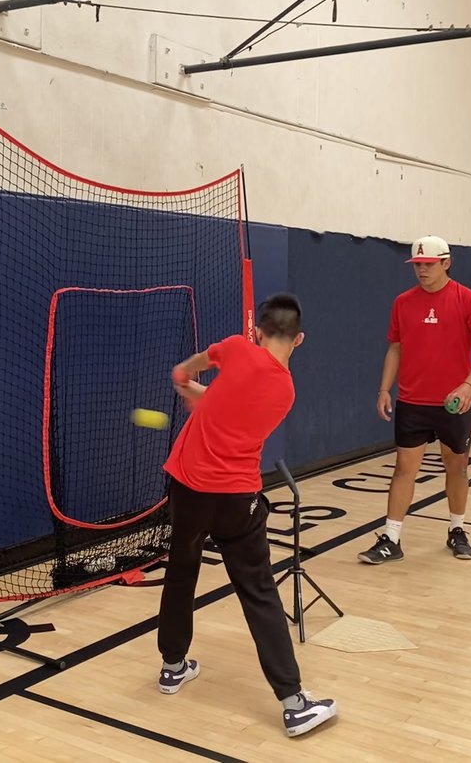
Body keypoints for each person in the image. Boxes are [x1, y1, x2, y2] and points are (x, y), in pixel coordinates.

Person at [157, 293, 338, 739]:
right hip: (236, 499)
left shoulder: (236, 349)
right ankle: (294, 704)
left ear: (257, 330)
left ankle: (173, 666)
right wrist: (195, 390)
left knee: (181, 572)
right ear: (299, 339)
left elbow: (203, 376)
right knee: (258, 591)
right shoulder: (286, 391)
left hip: (187, 489)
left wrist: (184, 377)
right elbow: (224, 404)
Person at [358, 236, 471, 565]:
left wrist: (468, 385)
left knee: (457, 467)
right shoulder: (403, 302)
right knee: (404, 470)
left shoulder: (469, 300)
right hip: (412, 402)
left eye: (428, 265)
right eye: (417, 264)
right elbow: (395, 348)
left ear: (446, 263)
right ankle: (391, 538)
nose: (421, 270)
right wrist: (383, 390)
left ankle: (457, 530)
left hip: (453, 404)